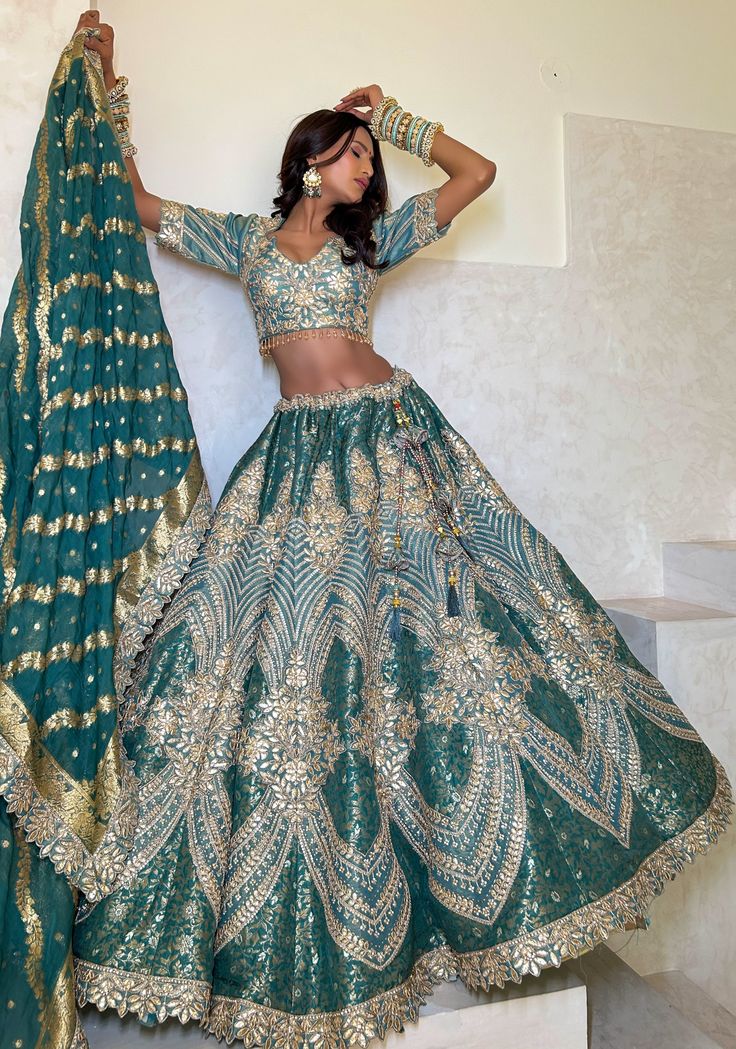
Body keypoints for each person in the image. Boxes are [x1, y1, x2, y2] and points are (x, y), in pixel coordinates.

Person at [64, 9, 732, 1048]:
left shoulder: (365, 244)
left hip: (396, 448)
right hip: (296, 464)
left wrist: (405, 121)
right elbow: (138, 201)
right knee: (279, 671)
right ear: (309, 162)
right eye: (351, 150)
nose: (365, 165)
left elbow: (478, 174)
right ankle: (324, 918)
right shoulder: (246, 242)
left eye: (368, 154)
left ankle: (473, 889)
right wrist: (105, 88)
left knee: (451, 648)